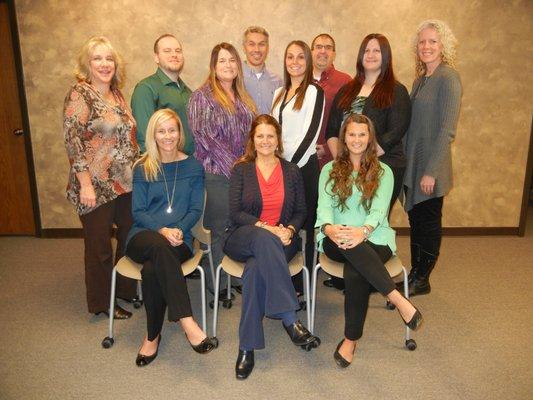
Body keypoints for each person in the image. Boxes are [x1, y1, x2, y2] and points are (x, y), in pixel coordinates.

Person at [316, 114, 423, 368]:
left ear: (370, 138)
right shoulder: (329, 170)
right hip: (336, 235)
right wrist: (329, 229)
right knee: (355, 256)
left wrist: (362, 232)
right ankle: (397, 298)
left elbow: (378, 212)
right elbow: (324, 208)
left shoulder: (383, 171)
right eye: (351, 134)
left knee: (356, 271)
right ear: (344, 138)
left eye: (362, 134)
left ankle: (350, 340)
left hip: (374, 236)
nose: (356, 140)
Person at [224, 114, 320, 380]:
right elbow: (235, 213)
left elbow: (301, 210)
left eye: (270, 135)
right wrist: (266, 228)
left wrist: (289, 230)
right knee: (264, 240)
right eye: (260, 136)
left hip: (283, 240)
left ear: (277, 139)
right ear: (252, 141)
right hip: (244, 236)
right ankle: (290, 318)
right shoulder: (241, 169)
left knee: (255, 270)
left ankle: (246, 348)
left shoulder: (291, 171)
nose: (265, 141)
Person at [125, 109, 218, 367]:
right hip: (143, 236)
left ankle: (152, 336)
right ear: (153, 135)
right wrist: (163, 230)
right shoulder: (143, 168)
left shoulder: (193, 166)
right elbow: (138, 212)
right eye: (161, 131)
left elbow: (195, 210)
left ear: (180, 133)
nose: (167, 136)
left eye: (172, 130)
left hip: (180, 239)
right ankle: (188, 321)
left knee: (154, 269)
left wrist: (178, 229)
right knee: (157, 247)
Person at [63, 36, 137, 319]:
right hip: (93, 185)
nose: (105, 64)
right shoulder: (80, 94)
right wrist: (84, 184)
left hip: (123, 182)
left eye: (109, 59)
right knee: (99, 247)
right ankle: (101, 303)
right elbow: (73, 142)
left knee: (131, 235)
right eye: (98, 59)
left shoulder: (116, 94)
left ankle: (124, 288)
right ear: (87, 64)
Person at [188, 42, 256, 292]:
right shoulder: (201, 96)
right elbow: (205, 137)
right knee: (219, 227)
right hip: (215, 174)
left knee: (238, 225)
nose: (228, 65)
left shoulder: (242, 96)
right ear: (214, 67)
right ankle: (218, 281)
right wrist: (237, 168)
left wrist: (249, 167)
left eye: (232, 60)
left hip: (242, 174)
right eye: (222, 61)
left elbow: (252, 134)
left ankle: (234, 274)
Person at [402, 20, 462, 296]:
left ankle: (422, 277)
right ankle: (415, 273)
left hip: (430, 167)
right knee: (416, 221)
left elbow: (447, 130)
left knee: (427, 222)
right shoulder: (420, 79)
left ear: (443, 46)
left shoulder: (448, 78)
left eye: (433, 42)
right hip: (415, 163)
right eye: (423, 42)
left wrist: (431, 171)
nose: (426, 47)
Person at [327, 33, 411, 212]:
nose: (370, 55)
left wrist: (360, 161)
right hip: (346, 167)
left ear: (386, 56)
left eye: (376, 51)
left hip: (383, 166)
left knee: (373, 220)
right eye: (366, 50)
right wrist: (342, 161)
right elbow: (332, 129)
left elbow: (395, 133)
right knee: (349, 216)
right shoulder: (347, 89)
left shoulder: (397, 91)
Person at [271, 40, 324, 293]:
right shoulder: (278, 94)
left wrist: (288, 167)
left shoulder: (314, 91)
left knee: (308, 223)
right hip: (280, 169)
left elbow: (310, 134)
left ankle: (307, 282)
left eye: (300, 57)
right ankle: (288, 277)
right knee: (285, 223)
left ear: (308, 61)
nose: (295, 62)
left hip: (303, 169)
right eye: (290, 57)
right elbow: (272, 134)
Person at [131, 34, 195, 155]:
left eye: (178, 51)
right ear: (156, 58)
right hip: (164, 167)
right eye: (167, 51)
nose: (174, 54)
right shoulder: (146, 89)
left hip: (189, 164)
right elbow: (145, 137)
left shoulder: (188, 92)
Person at [311, 33, 351, 169]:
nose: (323, 51)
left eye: (328, 47)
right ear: (311, 52)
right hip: (302, 159)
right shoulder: (300, 81)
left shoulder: (345, 82)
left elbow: (350, 122)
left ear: (333, 54)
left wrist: (328, 148)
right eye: (318, 47)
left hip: (333, 157)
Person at [242, 26, 283, 114]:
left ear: (267, 48)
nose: (257, 49)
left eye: (261, 44)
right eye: (251, 44)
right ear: (244, 48)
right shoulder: (234, 78)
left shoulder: (278, 82)